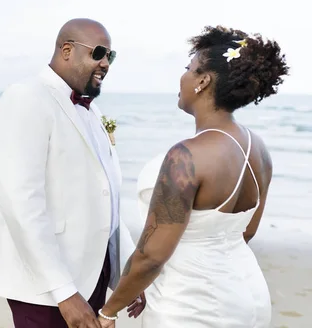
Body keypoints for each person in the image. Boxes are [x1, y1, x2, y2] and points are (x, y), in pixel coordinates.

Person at [96, 25, 289, 327]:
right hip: (247, 295)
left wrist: (109, 311)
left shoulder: (186, 156)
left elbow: (150, 256)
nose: (183, 75)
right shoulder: (258, 148)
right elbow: (247, 232)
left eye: (189, 68)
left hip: (192, 303)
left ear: (203, 81)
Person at [0, 18, 144, 328]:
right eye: (98, 53)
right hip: (46, 288)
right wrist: (64, 292)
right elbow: (21, 203)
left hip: (93, 277)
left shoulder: (92, 110)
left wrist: (127, 274)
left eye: (110, 56)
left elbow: (108, 201)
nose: (105, 63)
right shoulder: (26, 97)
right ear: (67, 50)